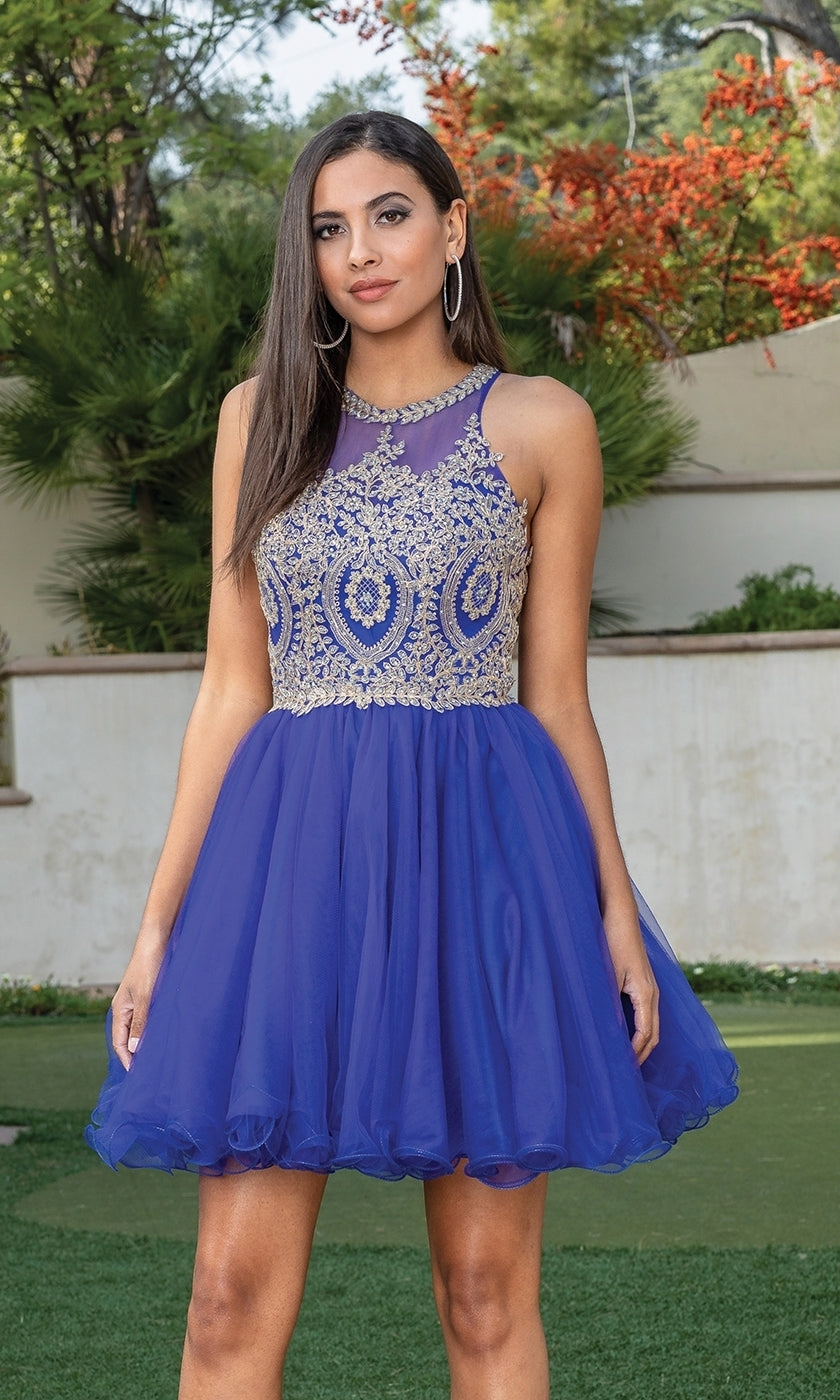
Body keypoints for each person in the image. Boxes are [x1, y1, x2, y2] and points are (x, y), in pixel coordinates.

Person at [86, 110, 738, 1400]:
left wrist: (613, 908)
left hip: (487, 869)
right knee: (223, 1303)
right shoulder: (258, 418)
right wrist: (159, 927)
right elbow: (230, 690)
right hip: (283, 875)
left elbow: (557, 697)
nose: (361, 252)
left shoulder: (543, 421)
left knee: (486, 1296)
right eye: (330, 228)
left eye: (390, 214)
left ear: (452, 229)